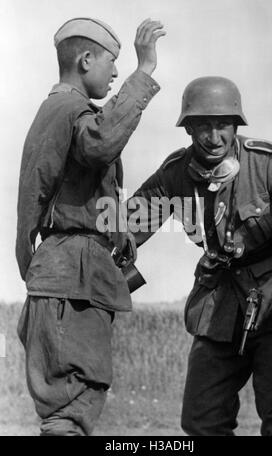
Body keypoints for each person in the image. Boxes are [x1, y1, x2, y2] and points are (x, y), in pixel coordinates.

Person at [16, 16, 165, 436]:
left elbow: (46, 200)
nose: (116, 73)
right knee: (72, 406)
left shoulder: (55, 112)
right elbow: (101, 143)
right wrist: (144, 71)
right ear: (85, 60)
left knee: (68, 408)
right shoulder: (69, 109)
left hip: (61, 273)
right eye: (111, 63)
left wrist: (114, 234)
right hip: (73, 277)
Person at [127, 76, 272, 435]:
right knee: (200, 420)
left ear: (236, 125)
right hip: (218, 308)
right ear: (188, 128)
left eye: (223, 125)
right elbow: (124, 227)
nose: (214, 136)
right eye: (203, 126)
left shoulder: (270, 163)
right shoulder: (174, 174)